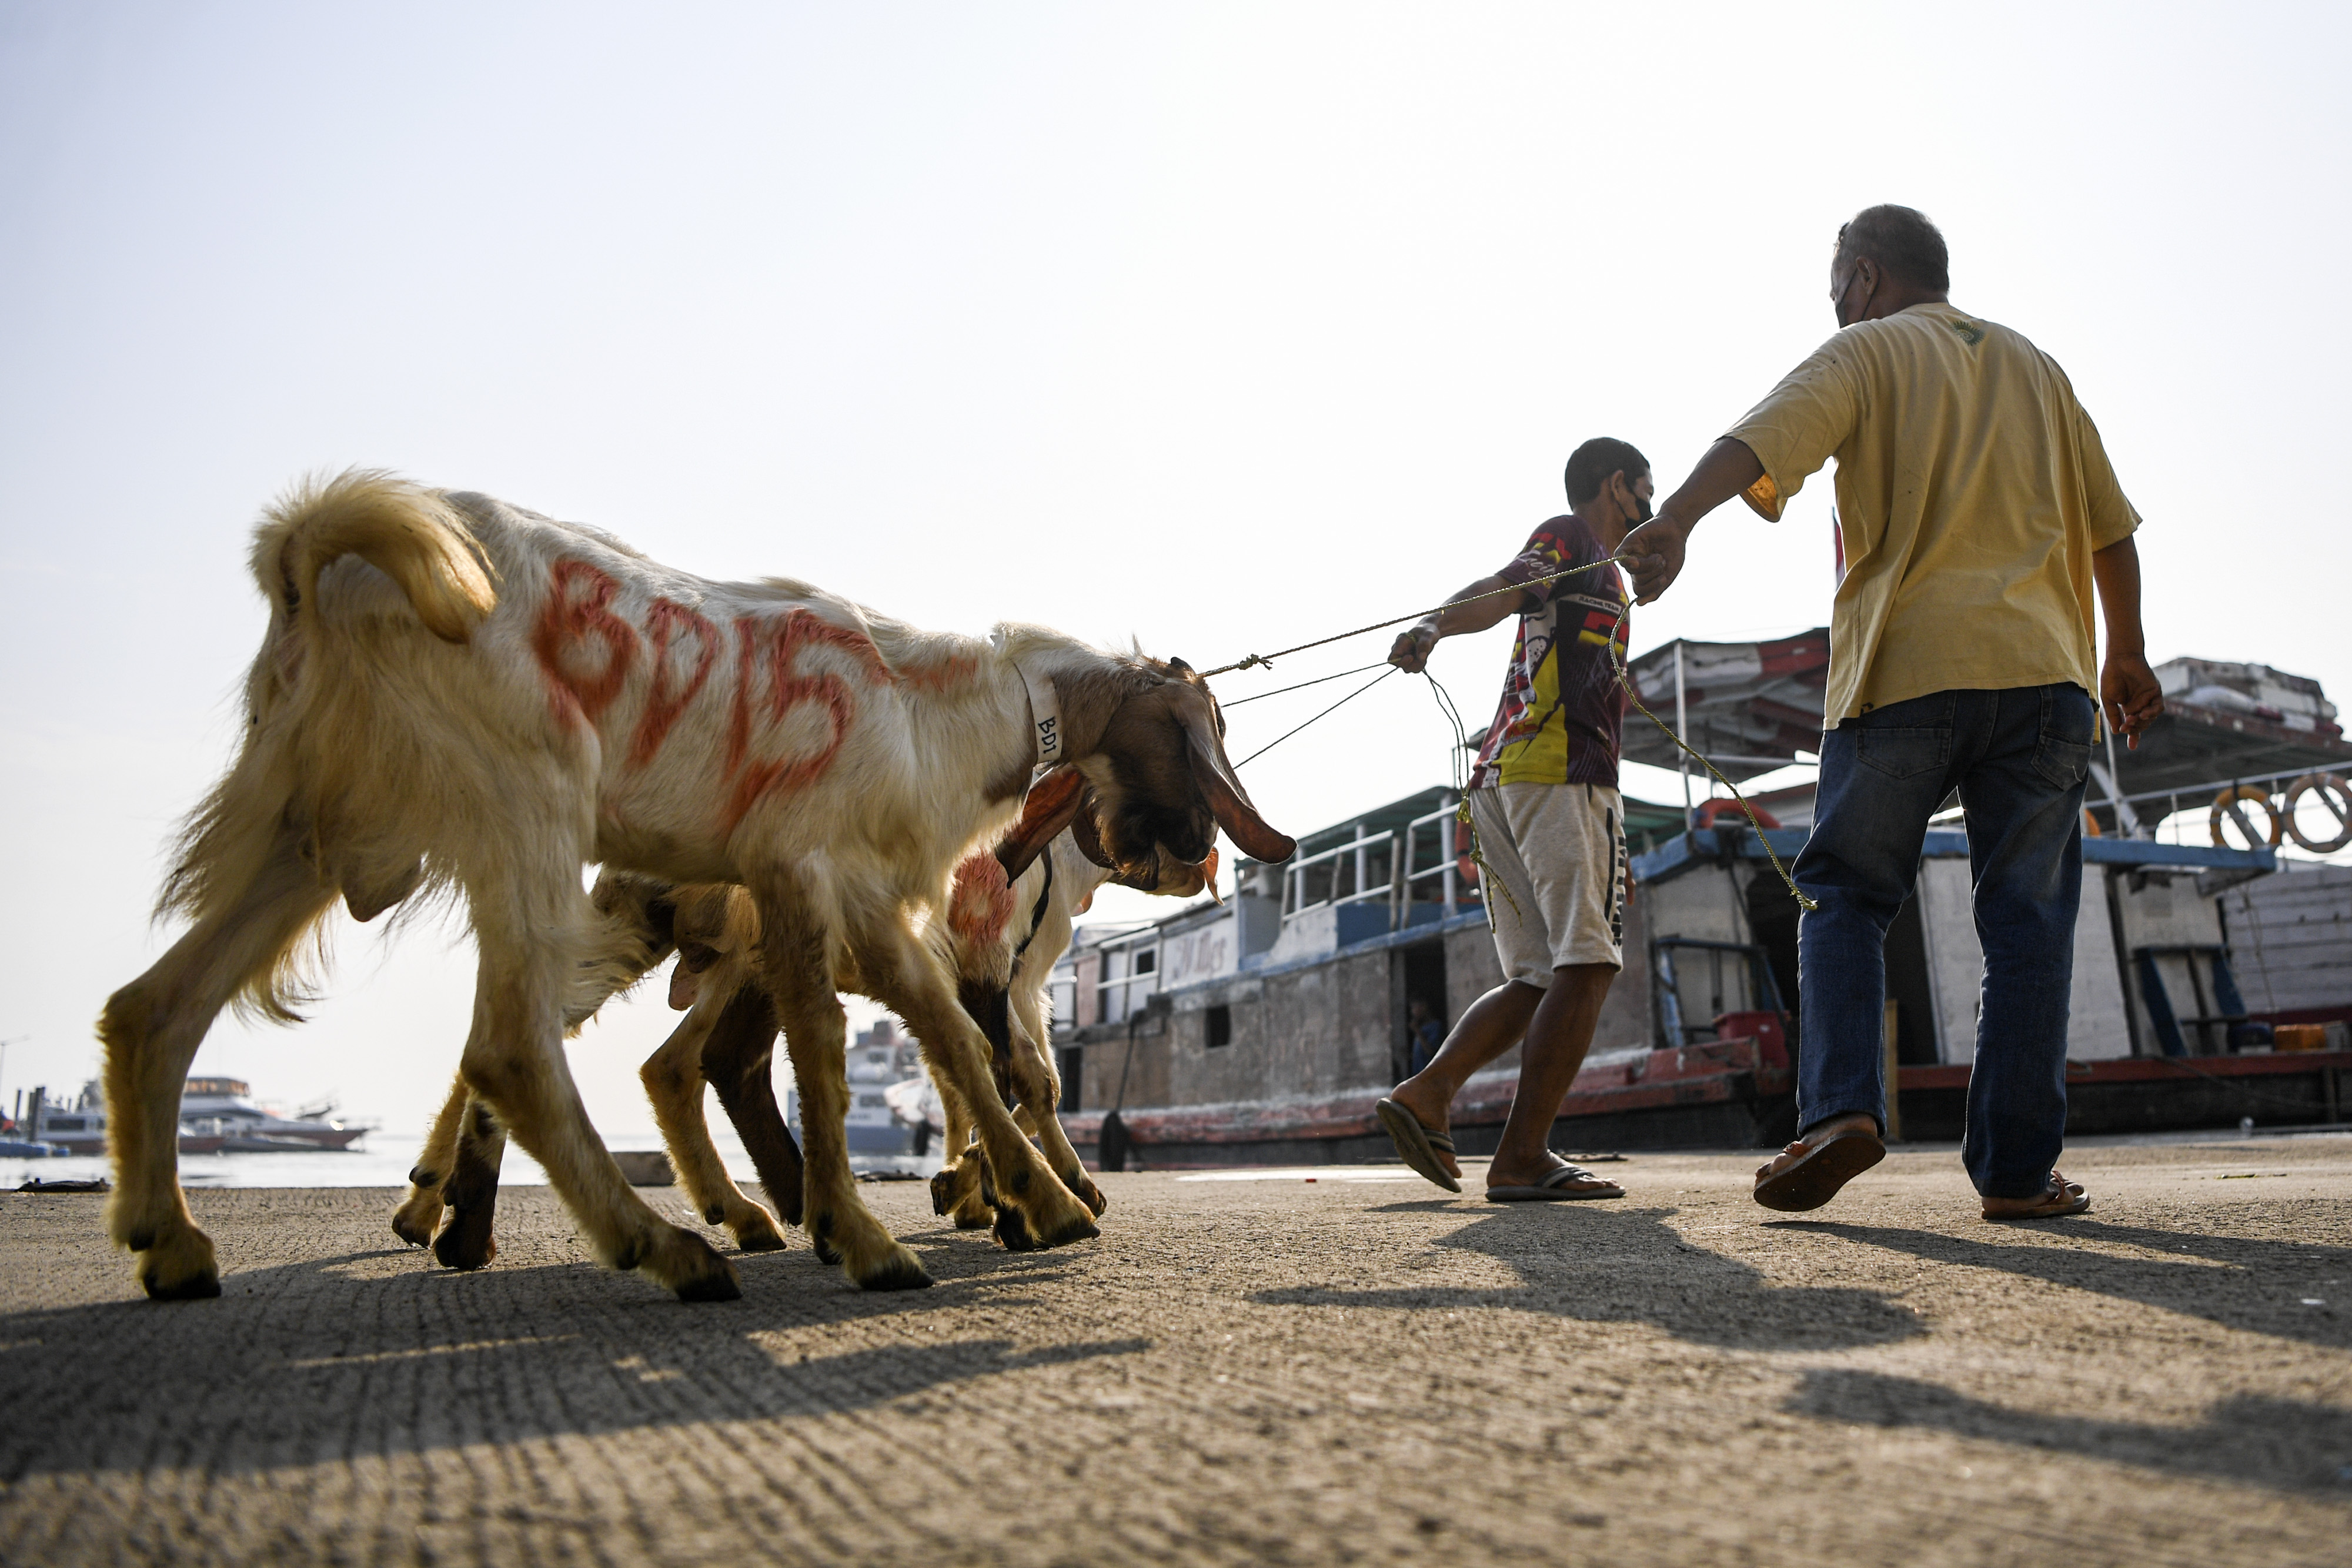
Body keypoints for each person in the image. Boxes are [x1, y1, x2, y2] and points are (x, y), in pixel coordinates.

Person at [1619, 205, 2163, 1221]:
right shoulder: (2038, 369)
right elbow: (2112, 526)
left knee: (1844, 894)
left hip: (1905, 669)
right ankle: (2015, 1173)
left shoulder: (1867, 352)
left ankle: (1837, 1115)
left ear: (1865, 277)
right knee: (2030, 927)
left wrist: (1676, 521)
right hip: (2046, 678)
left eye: (1837, 288)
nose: (1835, 305)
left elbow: (1757, 439)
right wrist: (2124, 650)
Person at [1375, 437, 1652, 1202]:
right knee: (1589, 964)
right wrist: (1434, 626)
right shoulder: (1573, 539)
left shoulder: (1604, 574)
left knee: (1535, 975)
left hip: (1501, 783)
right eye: (1646, 493)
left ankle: (1426, 1095)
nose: (1651, 510)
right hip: (1560, 777)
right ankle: (1523, 1156)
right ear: (1616, 485)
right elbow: (1502, 589)